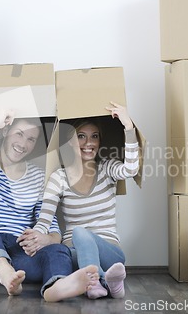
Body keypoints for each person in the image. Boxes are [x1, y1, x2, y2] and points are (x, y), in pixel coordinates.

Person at [0, 108, 99, 302]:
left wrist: (45, 239)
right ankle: (1, 267)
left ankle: (55, 287)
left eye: (31, 139)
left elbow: (54, 232)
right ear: (6, 131)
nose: (23, 144)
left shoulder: (39, 177)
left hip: (19, 255)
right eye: (19, 134)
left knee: (59, 250)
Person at [30, 101, 140, 300]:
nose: (89, 143)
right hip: (75, 254)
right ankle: (107, 281)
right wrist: (35, 237)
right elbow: (44, 220)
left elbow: (131, 169)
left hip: (110, 253)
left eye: (94, 137)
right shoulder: (59, 178)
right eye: (81, 136)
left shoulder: (108, 168)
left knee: (81, 232)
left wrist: (129, 127)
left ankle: (94, 282)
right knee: (61, 252)